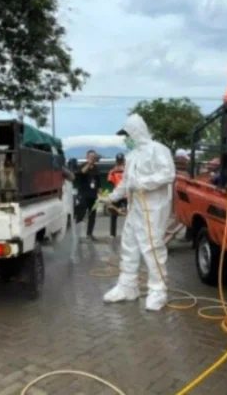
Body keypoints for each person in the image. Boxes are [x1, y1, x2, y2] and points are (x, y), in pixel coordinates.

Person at [100, 114, 176, 311]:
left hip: (153, 208)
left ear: (136, 132)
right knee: (129, 246)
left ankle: (158, 291)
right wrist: (111, 197)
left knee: (151, 247)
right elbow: (126, 182)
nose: (126, 139)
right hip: (135, 208)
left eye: (127, 135)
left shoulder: (158, 150)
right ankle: (127, 286)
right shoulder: (132, 155)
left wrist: (142, 183)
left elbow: (168, 174)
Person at [76, 150, 101, 240]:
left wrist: (100, 193)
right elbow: (82, 172)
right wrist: (88, 164)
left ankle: (89, 234)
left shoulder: (96, 168)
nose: (92, 158)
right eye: (90, 157)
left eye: (93, 157)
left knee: (92, 215)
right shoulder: (82, 166)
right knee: (81, 214)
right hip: (83, 194)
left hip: (93, 195)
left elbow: (98, 182)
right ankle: (77, 235)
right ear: (86, 157)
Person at [106, 153, 126, 238]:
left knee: (129, 214)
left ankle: (129, 234)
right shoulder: (113, 171)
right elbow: (110, 182)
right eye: (119, 161)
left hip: (127, 194)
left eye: (121, 161)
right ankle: (112, 234)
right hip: (117, 194)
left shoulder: (128, 169)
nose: (120, 162)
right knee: (113, 214)